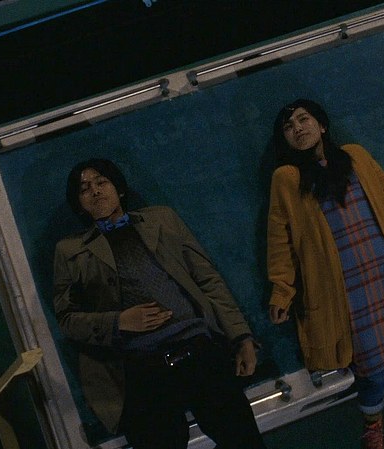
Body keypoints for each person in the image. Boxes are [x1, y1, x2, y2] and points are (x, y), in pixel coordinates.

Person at [266, 99, 384, 448]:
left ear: (322, 125)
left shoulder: (355, 156)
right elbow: (280, 240)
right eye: (289, 127)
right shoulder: (287, 179)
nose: (298, 128)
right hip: (347, 288)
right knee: (371, 369)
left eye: (304, 120)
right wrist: (281, 290)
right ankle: (373, 427)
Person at [53, 158, 266, 449]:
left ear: (119, 189)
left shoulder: (161, 220)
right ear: (79, 204)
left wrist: (241, 337)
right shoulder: (70, 251)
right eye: (84, 189)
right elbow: (66, 319)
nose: (95, 191)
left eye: (102, 182)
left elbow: (208, 280)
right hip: (141, 371)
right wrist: (118, 322)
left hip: (199, 352)